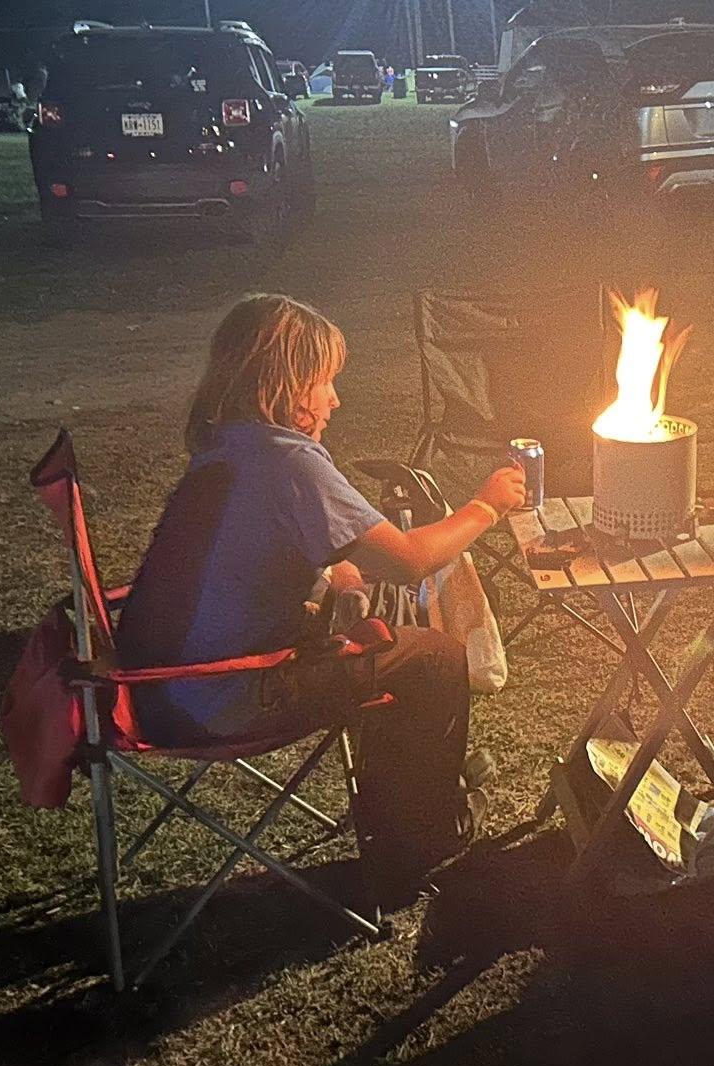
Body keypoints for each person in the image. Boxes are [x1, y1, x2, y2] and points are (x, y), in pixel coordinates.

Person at [114, 293, 527, 904]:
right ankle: (419, 844)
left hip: (151, 688)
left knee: (388, 636)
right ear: (284, 384)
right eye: (324, 381)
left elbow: (252, 561)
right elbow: (408, 558)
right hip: (219, 696)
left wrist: (331, 581)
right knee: (434, 659)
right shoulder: (288, 463)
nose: (335, 398)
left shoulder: (225, 449)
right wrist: (487, 504)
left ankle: (402, 811)